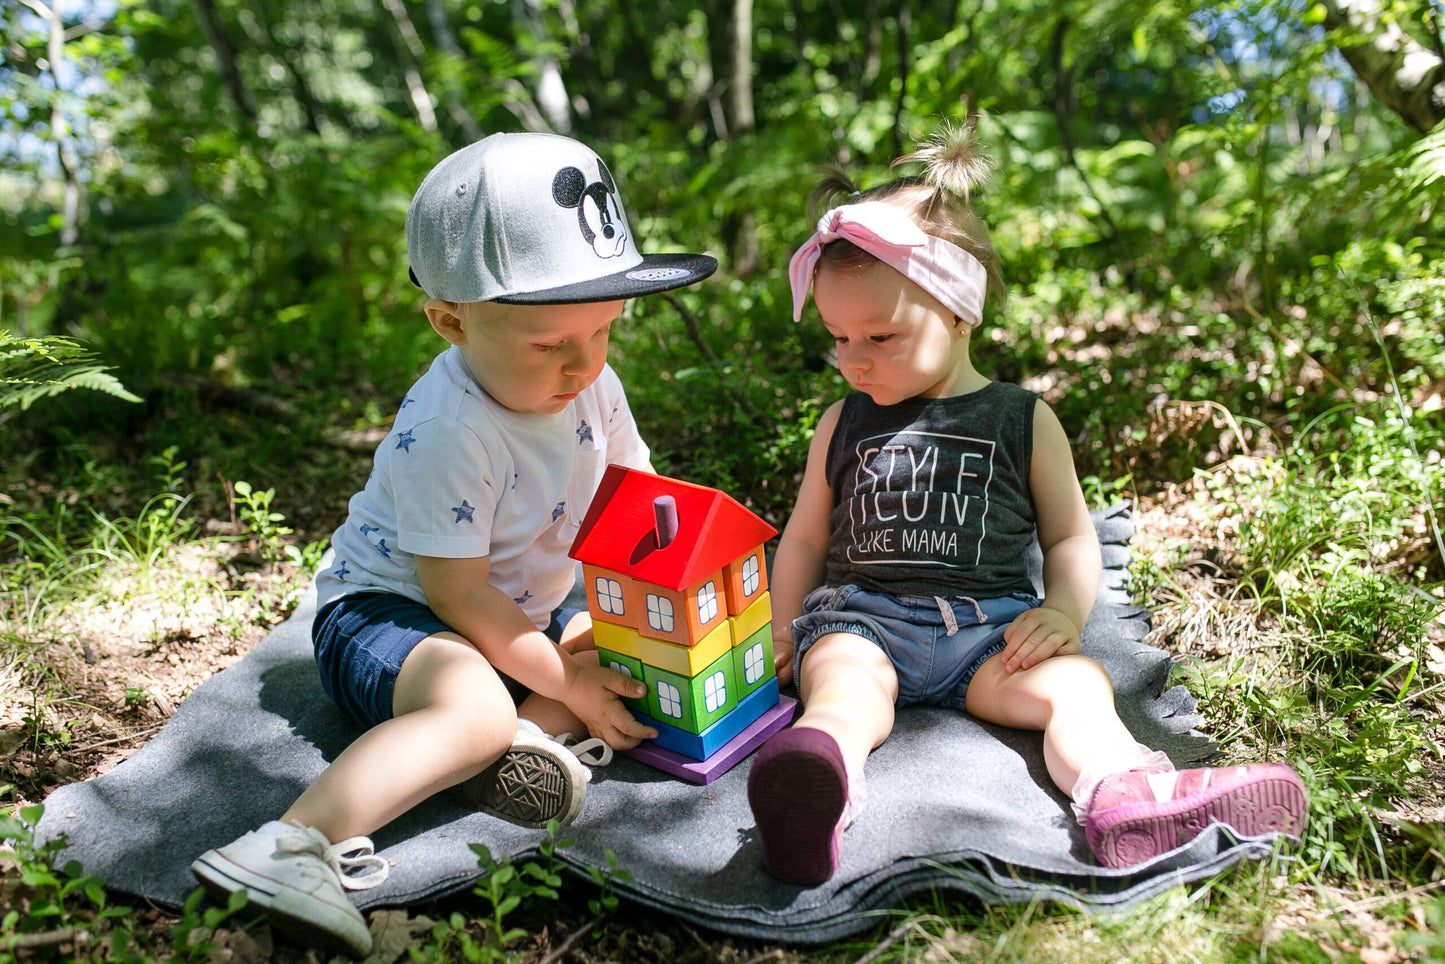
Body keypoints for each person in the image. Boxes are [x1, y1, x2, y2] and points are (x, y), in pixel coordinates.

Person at [191, 132, 717, 954]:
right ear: (449, 321)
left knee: (605, 654)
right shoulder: (451, 427)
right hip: (388, 615)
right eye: (548, 344)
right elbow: (454, 595)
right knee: (478, 704)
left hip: (505, 615)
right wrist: (568, 684)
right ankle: (291, 843)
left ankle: (517, 750)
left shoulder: (594, 385)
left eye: (604, 330)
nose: (584, 365)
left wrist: (666, 597)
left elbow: (637, 502)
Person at [746, 121, 1308, 887]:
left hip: (989, 637)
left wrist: (1065, 614)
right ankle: (812, 791)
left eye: (878, 335)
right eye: (838, 338)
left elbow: (1073, 536)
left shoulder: (1019, 418)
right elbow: (805, 537)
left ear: (957, 311)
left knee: (1077, 686)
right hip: (864, 619)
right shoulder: (843, 422)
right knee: (843, 692)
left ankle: (1124, 797)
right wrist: (783, 629)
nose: (852, 359)